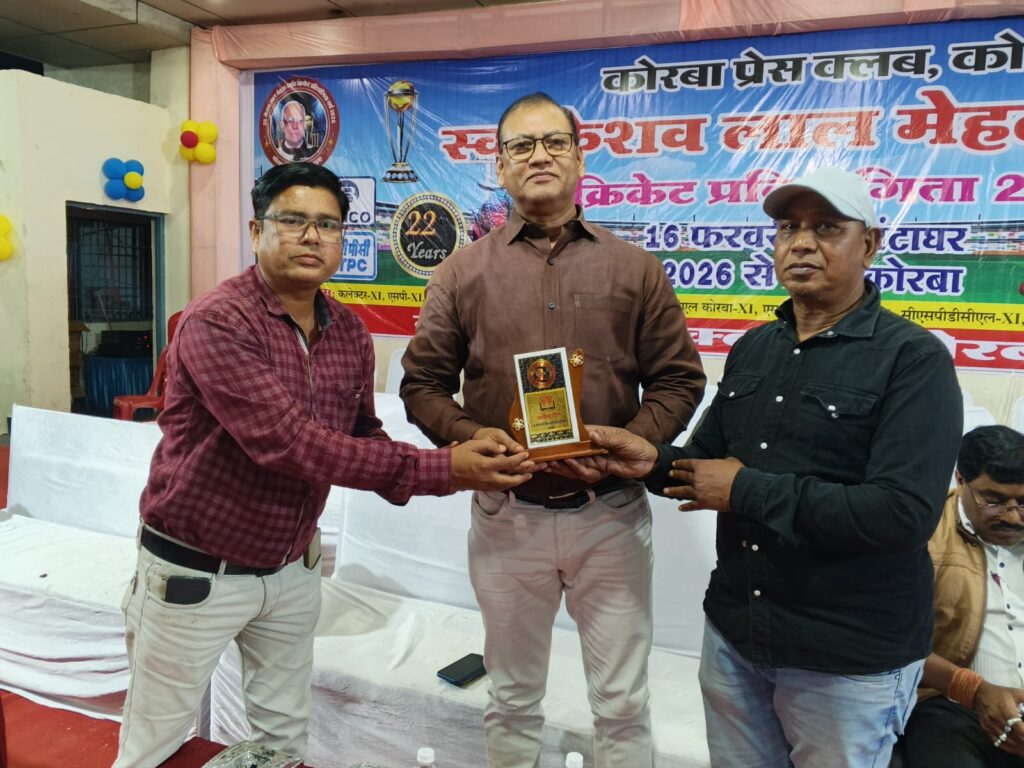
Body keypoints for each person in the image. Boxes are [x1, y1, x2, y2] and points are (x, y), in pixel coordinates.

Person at [113, 161, 535, 768]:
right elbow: (288, 444)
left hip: (292, 570)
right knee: (153, 743)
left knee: (284, 741)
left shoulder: (349, 332)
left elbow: (361, 433)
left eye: (328, 224)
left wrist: (460, 447)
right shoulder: (217, 322)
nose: (312, 236)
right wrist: (445, 469)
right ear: (256, 230)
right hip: (197, 572)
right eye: (293, 220)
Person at [582, 166, 964, 768]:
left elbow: (902, 515)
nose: (802, 243)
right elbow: (703, 465)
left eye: (827, 228)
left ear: (869, 244)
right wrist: (647, 458)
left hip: (846, 658)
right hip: (736, 637)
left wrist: (746, 491)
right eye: (788, 228)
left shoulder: (914, 360)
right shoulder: (754, 348)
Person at [400, 92, 706, 768]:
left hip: (610, 517)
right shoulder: (460, 272)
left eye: (554, 142)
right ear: (498, 166)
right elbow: (421, 385)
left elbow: (679, 379)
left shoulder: (636, 268)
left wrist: (635, 443)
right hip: (507, 517)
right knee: (511, 696)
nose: (538, 155)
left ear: (579, 157)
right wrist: (469, 440)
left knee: (622, 703)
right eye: (521, 145)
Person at [901, 425, 1024, 767]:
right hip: (950, 706)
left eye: (1023, 502)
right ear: (959, 479)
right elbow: (890, 641)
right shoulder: (922, 534)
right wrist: (973, 689)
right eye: (993, 501)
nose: (1013, 516)